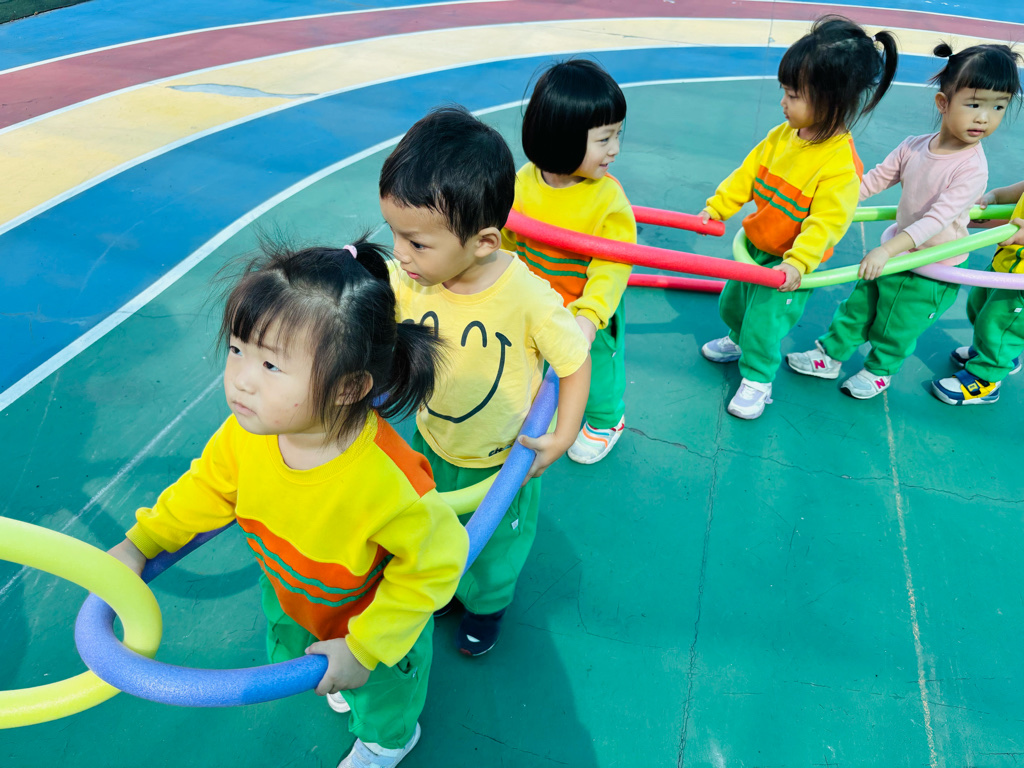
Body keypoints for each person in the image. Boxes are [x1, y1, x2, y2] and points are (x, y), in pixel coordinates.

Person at [108, 242, 468, 768]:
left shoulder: (388, 482)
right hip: (294, 591)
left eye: (271, 364)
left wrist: (365, 648)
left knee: (383, 696)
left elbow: (436, 562)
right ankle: (343, 677)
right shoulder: (246, 434)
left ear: (348, 387)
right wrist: (140, 545)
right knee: (313, 661)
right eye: (237, 349)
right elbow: (206, 488)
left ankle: (388, 742)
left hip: (368, 617)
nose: (242, 378)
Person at [379, 105, 592, 657]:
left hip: (501, 458)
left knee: (495, 546)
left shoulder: (526, 297)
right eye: (395, 235)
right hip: (432, 440)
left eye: (416, 243)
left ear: (483, 243)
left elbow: (573, 361)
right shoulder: (413, 279)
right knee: (433, 527)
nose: (400, 254)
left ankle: (487, 605)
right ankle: (447, 584)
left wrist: (563, 436)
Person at [789, 43, 1022, 399]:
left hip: (932, 267)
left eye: (998, 107)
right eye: (974, 104)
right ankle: (830, 355)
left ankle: (879, 372)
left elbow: (935, 220)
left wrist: (886, 250)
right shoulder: (913, 146)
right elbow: (873, 180)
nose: (984, 118)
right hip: (900, 251)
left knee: (896, 325)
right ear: (943, 103)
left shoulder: (972, 168)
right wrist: (829, 203)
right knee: (858, 307)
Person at [698, 15, 898, 418]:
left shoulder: (839, 166)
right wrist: (718, 207)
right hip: (756, 245)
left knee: (765, 323)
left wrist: (798, 262)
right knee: (734, 305)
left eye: (793, 95)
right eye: (784, 91)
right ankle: (737, 338)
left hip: (788, 262)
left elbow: (827, 224)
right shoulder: (781, 136)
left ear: (832, 100)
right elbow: (747, 174)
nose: (783, 102)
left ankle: (758, 380)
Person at [502, 58, 635, 463]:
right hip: (539, 305)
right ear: (561, 136)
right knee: (536, 359)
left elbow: (612, 267)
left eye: (617, 135)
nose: (615, 149)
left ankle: (606, 420)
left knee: (596, 373)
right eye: (604, 139)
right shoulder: (525, 181)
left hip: (585, 311)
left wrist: (590, 316)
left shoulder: (607, 200)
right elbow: (506, 239)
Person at [932, 179, 1024, 404]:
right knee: (979, 308)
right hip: (1005, 263)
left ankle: (986, 378)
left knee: (1001, 325)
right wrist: (998, 196)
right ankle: (998, 351)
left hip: (1020, 282)